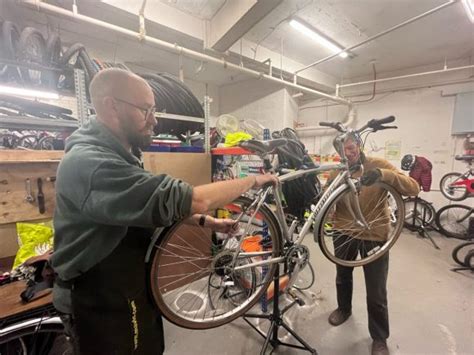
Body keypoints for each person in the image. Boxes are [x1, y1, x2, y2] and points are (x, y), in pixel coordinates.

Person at [51, 68, 278, 354]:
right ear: (111, 106)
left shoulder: (120, 153)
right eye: (145, 110)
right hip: (97, 297)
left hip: (126, 284)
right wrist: (252, 180)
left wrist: (208, 223)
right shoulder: (92, 163)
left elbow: (152, 208)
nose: (154, 120)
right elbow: (192, 198)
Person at [326, 134, 419, 355]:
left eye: (350, 148)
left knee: (376, 289)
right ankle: (344, 309)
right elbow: (327, 196)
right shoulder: (338, 168)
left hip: (374, 234)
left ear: (359, 145)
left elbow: (413, 188)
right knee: (343, 276)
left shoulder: (378, 164)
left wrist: (384, 175)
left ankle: (379, 337)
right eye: (342, 151)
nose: (347, 154)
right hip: (343, 231)